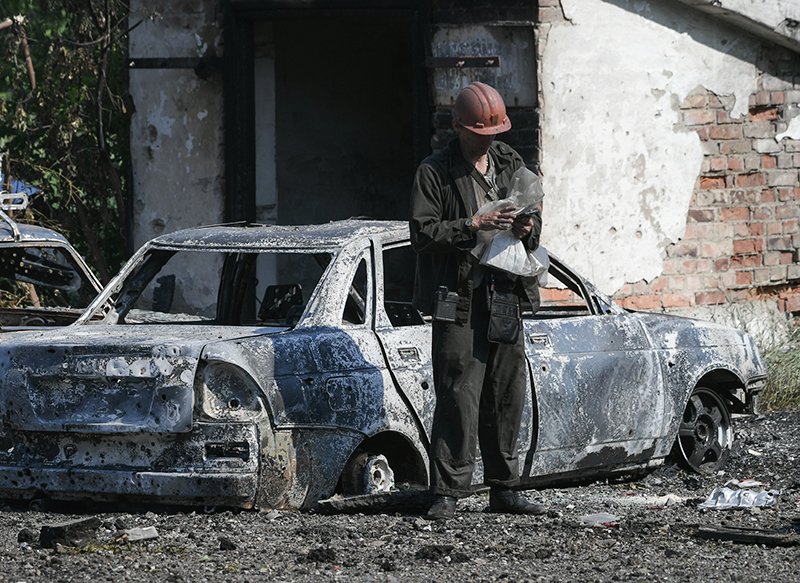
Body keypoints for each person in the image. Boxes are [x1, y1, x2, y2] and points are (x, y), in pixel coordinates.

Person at [410, 81, 545, 520]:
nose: (488, 140)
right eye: (479, 133)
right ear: (458, 127)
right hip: (459, 296)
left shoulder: (508, 161)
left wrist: (528, 228)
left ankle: (506, 488)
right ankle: (447, 492)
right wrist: (474, 222)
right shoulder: (434, 171)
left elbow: (534, 214)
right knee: (457, 393)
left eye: (494, 133)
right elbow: (423, 232)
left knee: (507, 392)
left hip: (505, 291)